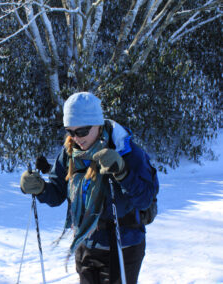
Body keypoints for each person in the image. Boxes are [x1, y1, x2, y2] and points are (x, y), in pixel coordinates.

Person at [20, 92, 159, 284]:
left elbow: (145, 199)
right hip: (86, 244)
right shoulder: (70, 153)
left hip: (122, 247)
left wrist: (123, 173)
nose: (76, 138)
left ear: (98, 124)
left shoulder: (127, 152)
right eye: (70, 131)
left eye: (82, 131)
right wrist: (39, 188)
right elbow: (58, 193)